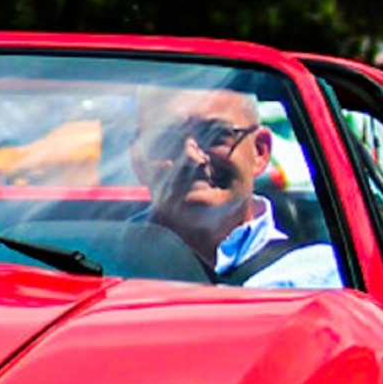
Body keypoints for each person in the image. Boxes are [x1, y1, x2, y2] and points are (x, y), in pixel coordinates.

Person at [132, 87, 341, 289]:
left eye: (214, 135)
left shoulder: (320, 278)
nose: (191, 156)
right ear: (138, 159)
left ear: (260, 151)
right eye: (167, 139)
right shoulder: (107, 262)